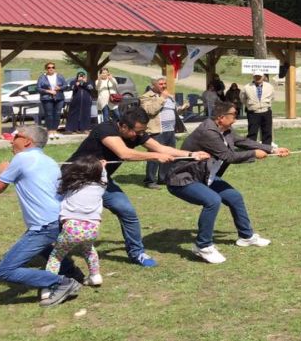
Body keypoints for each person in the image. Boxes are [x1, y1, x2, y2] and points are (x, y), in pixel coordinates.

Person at [67, 107, 210, 267]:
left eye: (142, 131)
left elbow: (161, 148)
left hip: (101, 181)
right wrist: (155, 156)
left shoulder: (137, 134)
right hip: (75, 179)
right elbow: (124, 153)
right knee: (62, 217)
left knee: (127, 211)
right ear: (123, 126)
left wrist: (191, 155)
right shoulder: (105, 129)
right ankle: (52, 250)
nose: (139, 135)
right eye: (137, 131)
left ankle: (137, 253)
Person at [175, 101, 290, 263]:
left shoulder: (225, 129)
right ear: (221, 117)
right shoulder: (208, 132)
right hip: (184, 178)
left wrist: (272, 149)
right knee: (212, 201)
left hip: (206, 176)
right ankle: (203, 246)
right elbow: (228, 156)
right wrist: (254, 154)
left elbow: (243, 141)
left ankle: (246, 237)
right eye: (233, 115)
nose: (235, 119)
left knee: (234, 197)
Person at [0, 125, 83, 307]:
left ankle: (62, 283)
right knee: (41, 246)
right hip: (58, 219)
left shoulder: (21, 158)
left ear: (27, 141)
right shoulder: (49, 160)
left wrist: (2, 171)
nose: (11, 141)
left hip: (44, 225)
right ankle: (71, 271)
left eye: (15, 136)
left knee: (4, 271)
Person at [45, 156, 106, 291]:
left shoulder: (71, 186)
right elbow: (104, 178)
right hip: (92, 228)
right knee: (88, 250)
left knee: (56, 255)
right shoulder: (100, 187)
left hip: (72, 227)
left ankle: (49, 285)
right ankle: (95, 275)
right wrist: (102, 168)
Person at [140, 77, 184, 189]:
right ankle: (150, 180)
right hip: (157, 131)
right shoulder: (146, 96)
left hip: (170, 130)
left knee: (169, 155)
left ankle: (163, 178)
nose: (164, 86)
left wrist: (182, 109)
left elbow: (174, 110)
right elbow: (150, 111)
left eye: (165, 83)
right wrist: (162, 98)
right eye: (160, 84)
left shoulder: (169, 96)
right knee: (155, 156)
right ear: (153, 85)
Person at [241, 73, 274, 145]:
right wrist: (250, 105)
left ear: (263, 77)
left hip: (266, 111)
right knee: (252, 132)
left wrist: (265, 104)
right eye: (256, 76)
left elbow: (272, 97)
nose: (258, 78)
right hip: (253, 112)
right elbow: (243, 98)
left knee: (267, 131)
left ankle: (266, 147)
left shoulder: (269, 86)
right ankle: (251, 147)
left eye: (259, 76)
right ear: (253, 77)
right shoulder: (247, 87)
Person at [37, 61, 67, 138]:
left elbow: (66, 86)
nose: (51, 69)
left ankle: (55, 130)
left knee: (57, 114)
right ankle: (50, 131)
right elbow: (38, 88)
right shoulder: (42, 77)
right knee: (49, 114)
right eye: (49, 67)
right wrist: (48, 91)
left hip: (59, 98)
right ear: (46, 69)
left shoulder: (60, 76)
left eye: (53, 67)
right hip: (47, 98)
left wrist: (60, 88)